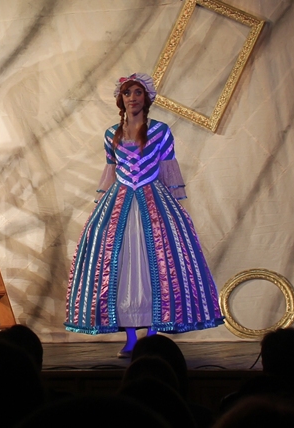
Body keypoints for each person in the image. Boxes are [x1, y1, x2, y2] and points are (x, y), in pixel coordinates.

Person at [65, 73, 224, 357]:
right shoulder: (111, 134)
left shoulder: (160, 131)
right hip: (120, 199)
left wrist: (173, 212)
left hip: (153, 199)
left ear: (146, 97)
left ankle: (151, 334)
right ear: (121, 99)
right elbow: (111, 170)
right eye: (128, 93)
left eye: (138, 92)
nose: (133, 98)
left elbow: (168, 168)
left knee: (158, 263)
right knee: (120, 265)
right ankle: (130, 337)